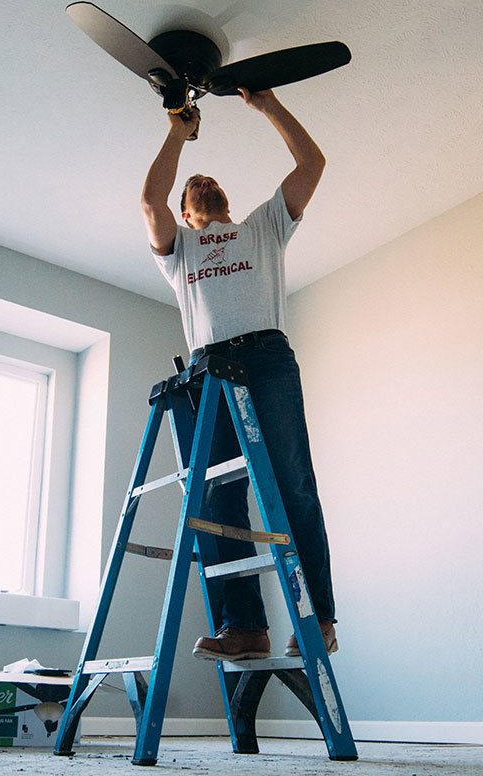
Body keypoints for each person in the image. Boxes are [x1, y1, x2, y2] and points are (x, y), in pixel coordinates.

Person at [141, 87, 337, 661]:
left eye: (207, 179)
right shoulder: (179, 251)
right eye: (191, 186)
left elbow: (313, 164)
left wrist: (268, 104)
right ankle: (246, 627)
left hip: (268, 358)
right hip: (208, 371)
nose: (200, 181)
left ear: (225, 198)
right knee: (218, 495)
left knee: (293, 483)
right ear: (186, 213)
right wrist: (181, 130)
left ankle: (319, 617)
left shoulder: (264, 227)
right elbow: (150, 200)